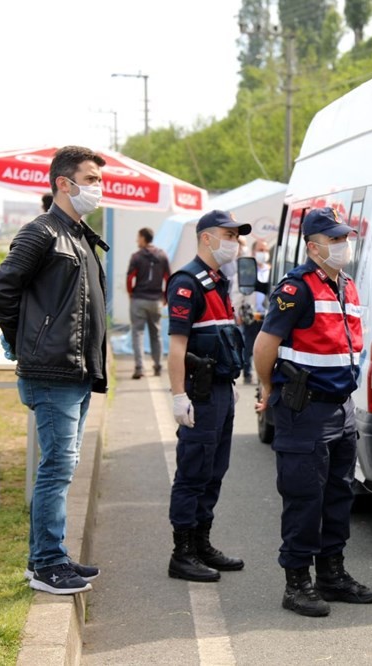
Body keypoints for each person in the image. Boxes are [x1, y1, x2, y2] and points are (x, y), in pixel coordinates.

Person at [0, 145, 109, 594]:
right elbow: (0, 294)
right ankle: (46, 564)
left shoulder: (77, 232)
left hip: (75, 371)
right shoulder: (41, 232)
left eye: (98, 180)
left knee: (62, 466)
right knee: (57, 467)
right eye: (91, 179)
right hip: (51, 371)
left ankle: (52, 555)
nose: (98, 188)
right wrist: (29, 342)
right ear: (63, 182)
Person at [253, 206, 372, 617]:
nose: (344, 246)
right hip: (305, 409)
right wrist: (269, 387)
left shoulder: (345, 285)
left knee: (339, 495)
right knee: (304, 497)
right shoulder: (297, 288)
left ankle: (332, 573)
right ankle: (297, 583)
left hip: (341, 409)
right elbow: (264, 345)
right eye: (335, 240)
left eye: (346, 239)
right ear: (313, 246)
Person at [165, 210, 249, 582]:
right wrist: (178, 395)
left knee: (214, 471)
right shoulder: (188, 282)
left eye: (237, 236)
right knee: (193, 472)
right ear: (206, 238)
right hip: (199, 394)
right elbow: (177, 347)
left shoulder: (217, 281)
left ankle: (201, 544)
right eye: (228, 235)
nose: (235, 242)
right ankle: (182, 553)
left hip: (220, 390)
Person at [126, 227, 171, 379]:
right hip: (156, 300)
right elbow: (168, 278)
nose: (137, 240)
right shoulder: (162, 255)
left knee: (137, 333)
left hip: (139, 299)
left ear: (144, 238)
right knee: (155, 333)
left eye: (138, 237)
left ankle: (139, 367)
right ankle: (158, 365)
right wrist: (165, 296)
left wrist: (131, 293)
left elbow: (130, 278)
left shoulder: (136, 257)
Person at [238, 239, 271, 384]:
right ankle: (247, 373)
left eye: (265, 250)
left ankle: (261, 375)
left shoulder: (271, 271)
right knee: (249, 346)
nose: (263, 253)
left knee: (265, 348)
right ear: (253, 252)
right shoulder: (247, 271)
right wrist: (238, 312)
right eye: (260, 250)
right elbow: (239, 294)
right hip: (251, 315)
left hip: (267, 316)